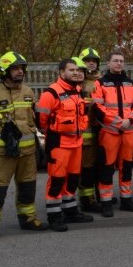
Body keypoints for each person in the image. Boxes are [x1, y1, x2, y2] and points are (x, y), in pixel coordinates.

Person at [0, 51, 47, 242]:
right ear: (4, 70)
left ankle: (28, 220)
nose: (19, 72)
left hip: (27, 153)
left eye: (21, 68)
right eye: (15, 68)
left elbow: (33, 118)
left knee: (27, 188)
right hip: (2, 154)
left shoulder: (28, 92)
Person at [35, 58, 94, 232]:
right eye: (71, 70)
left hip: (76, 142)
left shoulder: (78, 91)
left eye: (78, 70)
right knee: (57, 180)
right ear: (61, 72)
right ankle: (54, 216)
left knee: (73, 179)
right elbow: (41, 121)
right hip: (59, 143)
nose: (76, 73)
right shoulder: (51, 93)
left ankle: (70, 211)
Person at [92, 50, 133, 216]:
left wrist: (129, 121)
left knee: (126, 167)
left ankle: (126, 200)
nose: (119, 63)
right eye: (115, 60)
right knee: (106, 168)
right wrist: (117, 122)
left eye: (121, 60)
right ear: (108, 63)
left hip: (128, 131)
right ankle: (106, 202)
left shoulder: (132, 83)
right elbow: (98, 107)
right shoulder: (100, 83)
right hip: (109, 131)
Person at [77, 47, 104, 212]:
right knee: (87, 168)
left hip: (102, 131)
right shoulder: (78, 82)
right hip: (85, 133)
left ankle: (102, 196)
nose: (91, 63)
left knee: (100, 166)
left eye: (94, 61)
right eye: (88, 60)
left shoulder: (102, 80)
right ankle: (87, 200)